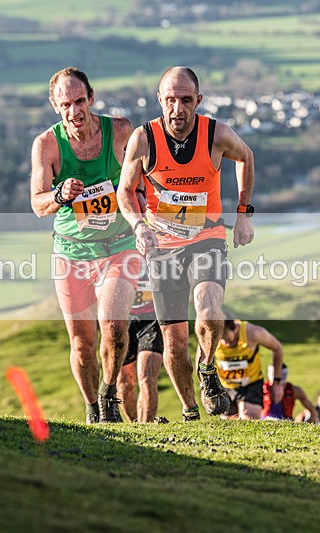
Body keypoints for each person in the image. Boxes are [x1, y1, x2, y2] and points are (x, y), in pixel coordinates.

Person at [117, 66, 256, 420]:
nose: (178, 109)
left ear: (199, 100)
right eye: (171, 100)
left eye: (186, 100)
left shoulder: (216, 135)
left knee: (209, 313)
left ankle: (207, 368)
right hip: (162, 246)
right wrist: (137, 225)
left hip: (207, 237)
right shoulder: (144, 138)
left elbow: (246, 157)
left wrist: (242, 213)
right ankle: (191, 410)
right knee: (175, 343)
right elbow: (125, 192)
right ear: (160, 100)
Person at [30, 67, 139, 423]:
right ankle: (93, 408)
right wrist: (60, 194)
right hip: (72, 253)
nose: (74, 111)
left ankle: (109, 393)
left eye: (79, 101)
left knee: (114, 326)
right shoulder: (47, 145)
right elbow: (37, 204)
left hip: (119, 245)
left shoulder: (120, 131)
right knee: (82, 344)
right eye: (65, 104)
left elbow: (147, 177)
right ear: (55, 106)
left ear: (91, 98)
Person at [117, 271, 165, 423]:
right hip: (124, 318)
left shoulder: (157, 247)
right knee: (124, 381)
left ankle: (146, 426)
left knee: (146, 375)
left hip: (153, 318)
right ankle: (135, 425)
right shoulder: (117, 247)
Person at [213, 318, 283, 420]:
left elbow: (277, 349)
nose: (224, 343)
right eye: (221, 339)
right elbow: (201, 358)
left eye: (227, 339)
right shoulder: (211, 336)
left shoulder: (253, 332)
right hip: (225, 386)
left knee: (249, 419)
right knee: (228, 425)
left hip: (251, 384)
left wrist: (276, 382)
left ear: (235, 328)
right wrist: (205, 387)